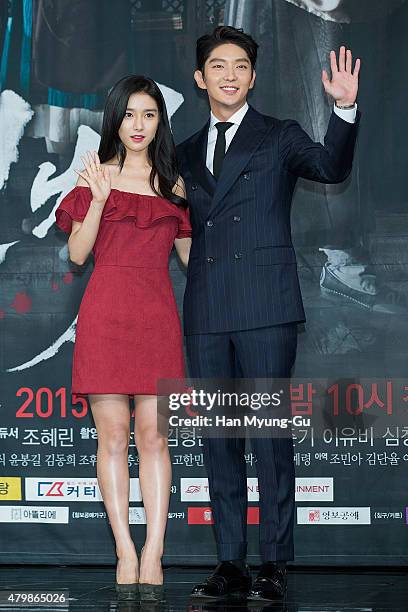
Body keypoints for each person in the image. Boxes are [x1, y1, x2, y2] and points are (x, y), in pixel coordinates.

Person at [176, 26, 360, 601]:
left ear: (253, 77)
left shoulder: (278, 136)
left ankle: (275, 562)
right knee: (218, 442)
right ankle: (230, 560)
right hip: (207, 310)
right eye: (218, 66)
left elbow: (331, 167)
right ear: (200, 78)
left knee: (269, 439)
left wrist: (345, 108)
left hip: (266, 308)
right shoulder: (181, 152)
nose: (229, 75)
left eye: (240, 66)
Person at [54, 75, 192, 601]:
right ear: (115, 119)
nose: (138, 125)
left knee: (154, 440)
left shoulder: (175, 186)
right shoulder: (94, 176)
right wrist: (97, 200)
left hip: (157, 317)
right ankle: (125, 549)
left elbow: (189, 259)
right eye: (129, 114)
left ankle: (155, 549)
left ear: (160, 122)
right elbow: (76, 255)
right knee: (112, 438)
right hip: (106, 316)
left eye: (149, 115)